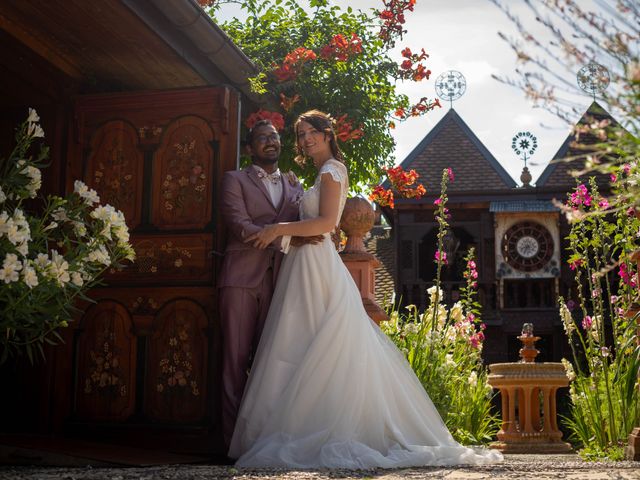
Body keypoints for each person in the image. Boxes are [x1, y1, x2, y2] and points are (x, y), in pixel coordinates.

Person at [228, 110, 503, 468]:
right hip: (303, 263)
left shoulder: (332, 171)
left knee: (319, 342)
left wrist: (279, 229)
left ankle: (323, 426)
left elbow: (327, 223)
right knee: (299, 342)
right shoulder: (315, 176)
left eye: (312, 131)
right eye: (300, 134)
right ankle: (301, 422)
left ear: (328, 134)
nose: (305, 139)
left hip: (317, 265)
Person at [218, 119, 321, 450]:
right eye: (262, 138)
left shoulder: (294, 186)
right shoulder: (234, 180)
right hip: (241, 281)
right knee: (234, 362)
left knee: (271, 364)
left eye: (275, 137)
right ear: (250, 148)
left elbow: (307, 222)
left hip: (281, 285)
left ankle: (262, 441)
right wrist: (284, 239)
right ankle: (231, 445)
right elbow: (239, 224)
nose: (270, 142)